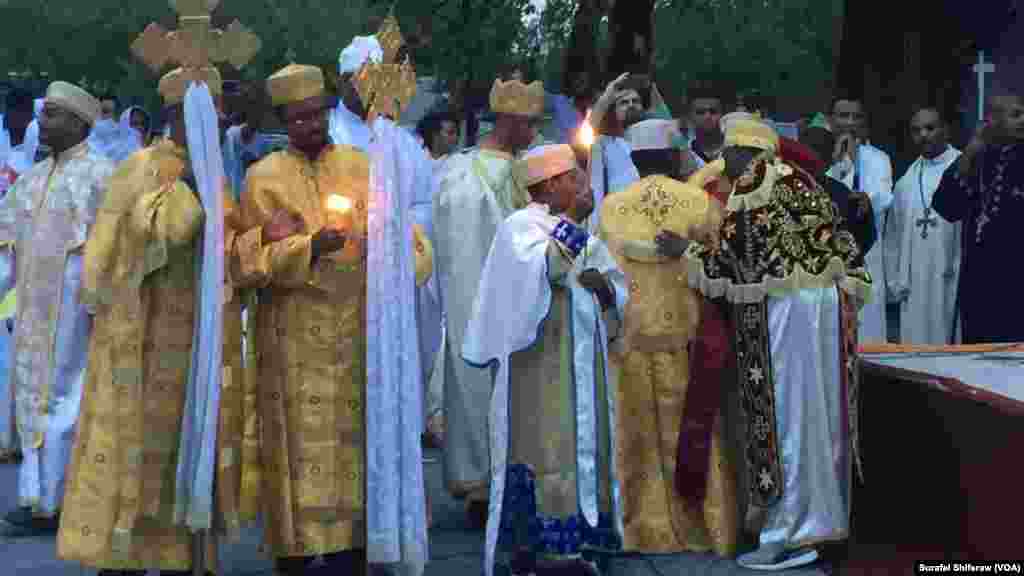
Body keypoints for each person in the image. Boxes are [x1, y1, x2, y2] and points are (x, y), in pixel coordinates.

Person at [234, 60, 432, 575]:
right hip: (291, 339)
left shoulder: (364, 166)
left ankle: (357, 546)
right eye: (297, 119)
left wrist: (378, 248)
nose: (309, 127)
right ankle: (297, 552)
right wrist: (306, 247)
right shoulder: (261, 178)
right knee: (296, 448)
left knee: (355, 446)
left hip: (355, 334)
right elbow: (240, 260)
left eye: (316, 115)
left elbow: (413, 247)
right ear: (283, 120)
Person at [56, 66, 250, 576]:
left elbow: (231, 251)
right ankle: (122, 561)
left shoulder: (213, 173)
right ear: (176, 119)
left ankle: (184, 558)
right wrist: (186, 184)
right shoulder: (141, 168)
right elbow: (160, 232)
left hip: (197, 345)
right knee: (134, 455)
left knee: (183, 453)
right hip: (139, 339)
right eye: (201, 118)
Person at [684, 117, 870, 570]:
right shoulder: (801, 178)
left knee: (787, 414)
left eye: (727, 152)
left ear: (743, 150)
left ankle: (789, 533)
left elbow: (737, 256)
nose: (722, 161)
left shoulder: (756, 178)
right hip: (821, 304)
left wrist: (690, 252)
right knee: (818, 415)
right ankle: (821, 521)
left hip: (788, 311)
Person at [462, 143, 627, 576]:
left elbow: (612, 284)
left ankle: (587, 543)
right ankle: (545, 551)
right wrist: (575, 225)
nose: (581, 185)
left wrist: (604, 289)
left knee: (584, 447)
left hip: (584, 363)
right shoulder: (520, 227)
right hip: (542, 366)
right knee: (549, 449)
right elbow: (549, 270)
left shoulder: (574, 227)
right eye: (574, 177)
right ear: (551, 183)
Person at [600, 119, 739, 557]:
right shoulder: (698, 202)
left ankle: (637, 531)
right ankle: (705, 530)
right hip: (688, 334)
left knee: (634, 436)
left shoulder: (610, 206)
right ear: (674, 155)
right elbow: (722, 267)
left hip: (631, 335)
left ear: (635, 159)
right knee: (694, 433)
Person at [0, 82, 113, 538]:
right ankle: (37, 499)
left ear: (80, 123)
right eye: (42, 115)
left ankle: (65, 500)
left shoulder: (103, 176)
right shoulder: (30, 179)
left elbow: (111, 250)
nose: (40, 123)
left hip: (77, 314)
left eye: (51, 115)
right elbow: (5, 251)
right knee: (31, 401)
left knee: (69, 401)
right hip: (31, 312)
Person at [434, 76, 543, 527]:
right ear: (510, 122)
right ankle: (481, 483)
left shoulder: (528, 166)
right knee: (477, 382)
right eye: (529, 124)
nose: (535, 133)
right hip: (477, 292)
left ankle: (522, 480)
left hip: (521, 295)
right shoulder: (463, 172)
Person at [932, 92, 1024, 343]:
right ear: (992, 120)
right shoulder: (977, 159)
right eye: (1016, 115)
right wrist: (970, 152)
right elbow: (946, 207)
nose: (1022, 120)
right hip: (980, 283)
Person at [885, 106, 961, 344]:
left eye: (930, 128)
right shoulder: (905, 183)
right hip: (915, 282)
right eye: (916, 130)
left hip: (952, 274)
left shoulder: (963, 168)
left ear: (946, 130)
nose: (924, 135)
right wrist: (895, 282)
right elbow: (893, 238)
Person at [827, 95, 893, 343]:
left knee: (868, 330)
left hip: (866, 251)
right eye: (844, 116)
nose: (850, 122)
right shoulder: (821, 157)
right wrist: (836, 161)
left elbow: (883, 199)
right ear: (831, 120)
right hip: (830, 255)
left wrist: (855, 162)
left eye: (856, 116)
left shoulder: (879, 158)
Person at [585, 73, 645, 233]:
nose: (631, 105)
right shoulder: (603, 145)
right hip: (614, 233)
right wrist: (607, 96)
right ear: (613, 111)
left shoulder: (657, 140)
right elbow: (588, 128)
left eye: (636, 101)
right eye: (624, 103)